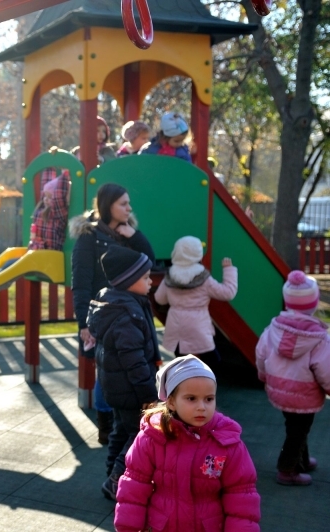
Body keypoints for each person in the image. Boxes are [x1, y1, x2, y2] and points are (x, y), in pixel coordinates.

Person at [114, 355, 261, 531]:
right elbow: (134, 486)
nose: (202, 407)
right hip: (162, 526)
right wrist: (128, 527)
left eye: (209, 399)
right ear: (171, 402)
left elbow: (241, 495)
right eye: (191, 398)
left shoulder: (227, 442)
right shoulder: (152, 437)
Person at [69, 184, 156, 446]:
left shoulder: (125, 234)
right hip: (103, 314)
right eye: (123, 204)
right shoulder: (89, 237)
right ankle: (106, 423)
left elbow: (147, 262)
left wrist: (135, 235)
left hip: (129, 311)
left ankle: (120, 420)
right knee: (106, 367)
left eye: (129, 203)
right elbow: (81, 282)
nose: (129, 208)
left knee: (125, 363)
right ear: (108, 206)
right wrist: (84, 321)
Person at [87, 246, 160, 501]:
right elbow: (134, 361)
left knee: (120, 430)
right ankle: (115, 479)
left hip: (116, 387)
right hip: (130, 388)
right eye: (145, 278)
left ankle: (111, 471)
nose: (150, 282)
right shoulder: (125, 313)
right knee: (138, 434)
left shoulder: (120, 303)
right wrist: (149, 396)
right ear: (129, 282)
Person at [255, 271, 330, 486]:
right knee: (298, 430)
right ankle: (287, 470)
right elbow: (326, 369)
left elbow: (261, 354)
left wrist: (263, 375)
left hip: (279, 389)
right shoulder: (319, 339)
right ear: (314, 304)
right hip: (306, 394)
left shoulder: (273, 329)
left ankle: (302, 460)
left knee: (295, 426)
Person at [154, 236, 238, 370]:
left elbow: (160, 299)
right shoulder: (203, 278)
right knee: (211, 360)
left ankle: (185, 385)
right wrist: (228, 270)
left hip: (176, 326)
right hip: (198, 326)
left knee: (182, 363)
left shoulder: (170, 276)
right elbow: (227, 292)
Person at [27, 168, 71, 251]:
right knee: (9, 262)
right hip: (36, 253)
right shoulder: (41, 209)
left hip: (50, 257)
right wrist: (50, 165)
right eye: (45, 196)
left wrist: (65, 175)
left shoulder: (58, 215)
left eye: (50, 197)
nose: (46, 199)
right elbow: (45, 184)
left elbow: (59, 196)